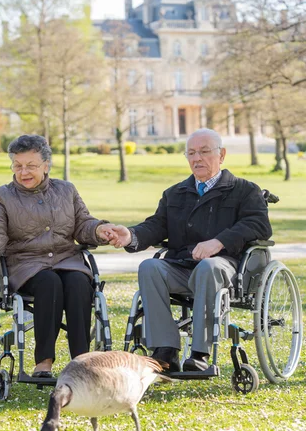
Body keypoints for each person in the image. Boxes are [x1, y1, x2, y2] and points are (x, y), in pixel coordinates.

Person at [109, 128, 272, 373]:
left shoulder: (244, 190)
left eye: (205, 152)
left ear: (222, 155)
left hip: (224, 268)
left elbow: (258, 225)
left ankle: (199, 353)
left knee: (209, 265)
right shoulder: (175, 193)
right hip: (182, 267)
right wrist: (131, 235)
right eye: (192, 153)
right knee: (150, 267)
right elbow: (156, 225)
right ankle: (165, 351)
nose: (197, 158)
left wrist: (219, 242)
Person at [0, 134, 116, 377]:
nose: (24, 172)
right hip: (26, 265)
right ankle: (43, 362)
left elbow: (83, 224)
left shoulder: (66, 190)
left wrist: (100, 229)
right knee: (49, 282)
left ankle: (82, 361)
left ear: (46, 166)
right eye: (18, 166)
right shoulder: (2, 197)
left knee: (80, 282)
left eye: (31, 166)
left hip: (67, 260)